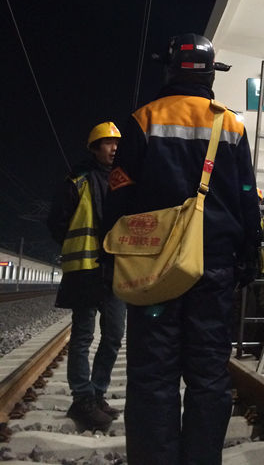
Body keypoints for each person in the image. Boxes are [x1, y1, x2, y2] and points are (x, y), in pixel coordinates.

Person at [101, 33, 262, 465]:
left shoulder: (143, 119)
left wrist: (110, 255)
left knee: (153, 374)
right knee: (209, 374)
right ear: (211, 75)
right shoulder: (231, 125)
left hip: (156, 271)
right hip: (214, 269)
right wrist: (250, 250)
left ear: (169, 70)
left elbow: (119, 194)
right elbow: (247, 193)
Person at [46, 121, 126, 431]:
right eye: (107, 143)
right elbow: (57, 221)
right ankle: (82, 399)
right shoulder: (77, 180)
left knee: (114, 335)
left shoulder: (123, 181)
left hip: (115, 269)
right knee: (83, 336)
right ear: (94, 148)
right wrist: (75, 246)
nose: (114, 148)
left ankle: (97, 393)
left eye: (117, 143)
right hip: (85, 269)